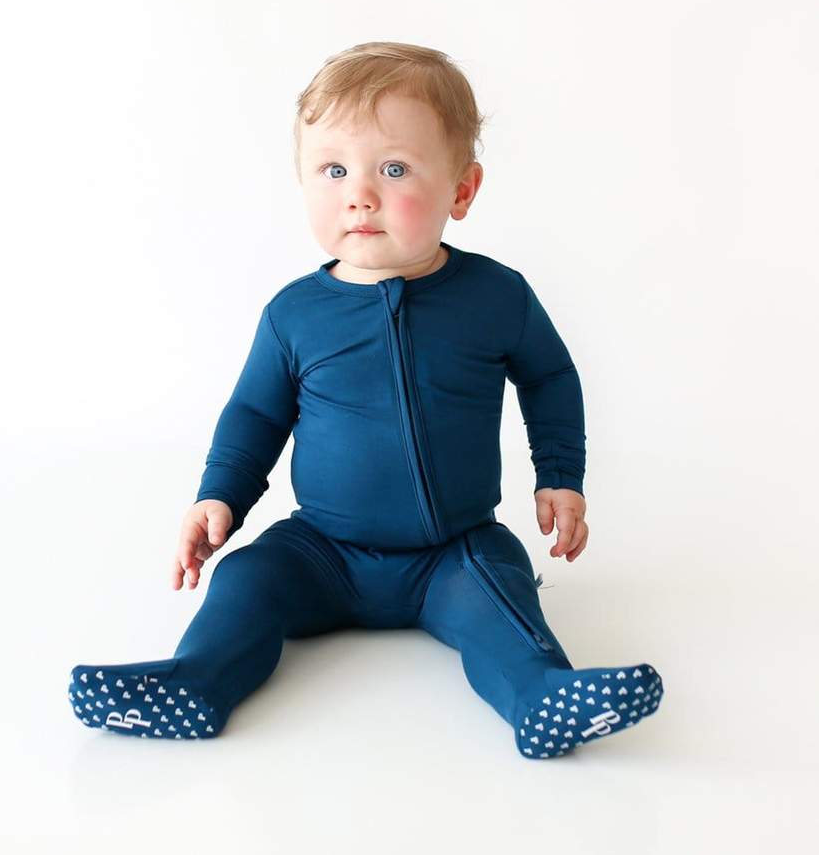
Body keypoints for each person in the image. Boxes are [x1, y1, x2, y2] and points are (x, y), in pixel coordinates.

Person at [67, 41, 663, 757]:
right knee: (247, 578)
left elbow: (550, 377)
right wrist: (219, 496)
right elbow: (255, 415)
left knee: (502, 595)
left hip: (453, 553)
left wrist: (560, 475)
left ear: (462, 191)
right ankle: (195, 683)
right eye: (334, 170)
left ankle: (540, 697)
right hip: (323, 551)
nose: (360, 193)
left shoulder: (495, 297)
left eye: (394, 169)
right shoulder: (294, 315)